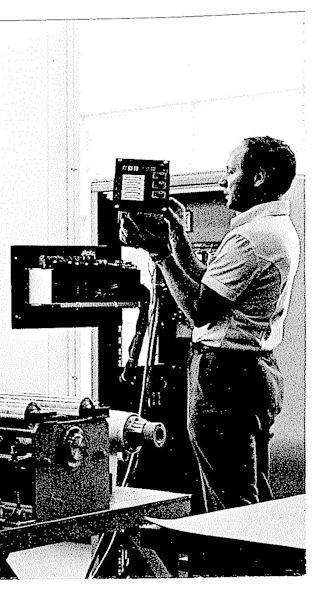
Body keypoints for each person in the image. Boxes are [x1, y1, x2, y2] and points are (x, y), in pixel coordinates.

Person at [120, 137, 299, 517]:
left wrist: (160, 254)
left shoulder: (251, 238)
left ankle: (232, 553)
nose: (222, 181)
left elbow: (198, 311)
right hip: (255, 370)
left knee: (229, 501)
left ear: (259, 177)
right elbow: (210, 286)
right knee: (248, 488)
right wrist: (179, 239)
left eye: (231, 171)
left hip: (225, 375)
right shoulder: (274, 229)